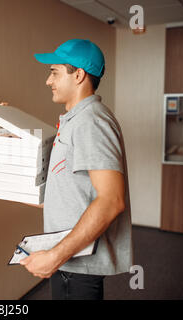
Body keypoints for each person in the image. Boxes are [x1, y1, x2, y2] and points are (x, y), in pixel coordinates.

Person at [20, 39, 133, 300]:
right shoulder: (75, 121)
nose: (49, 81)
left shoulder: (91, 121)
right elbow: (66, 189)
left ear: (79, 75)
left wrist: (54, 256)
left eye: (54, 72)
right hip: (71, 259)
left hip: (78, 263)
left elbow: (111, 201)